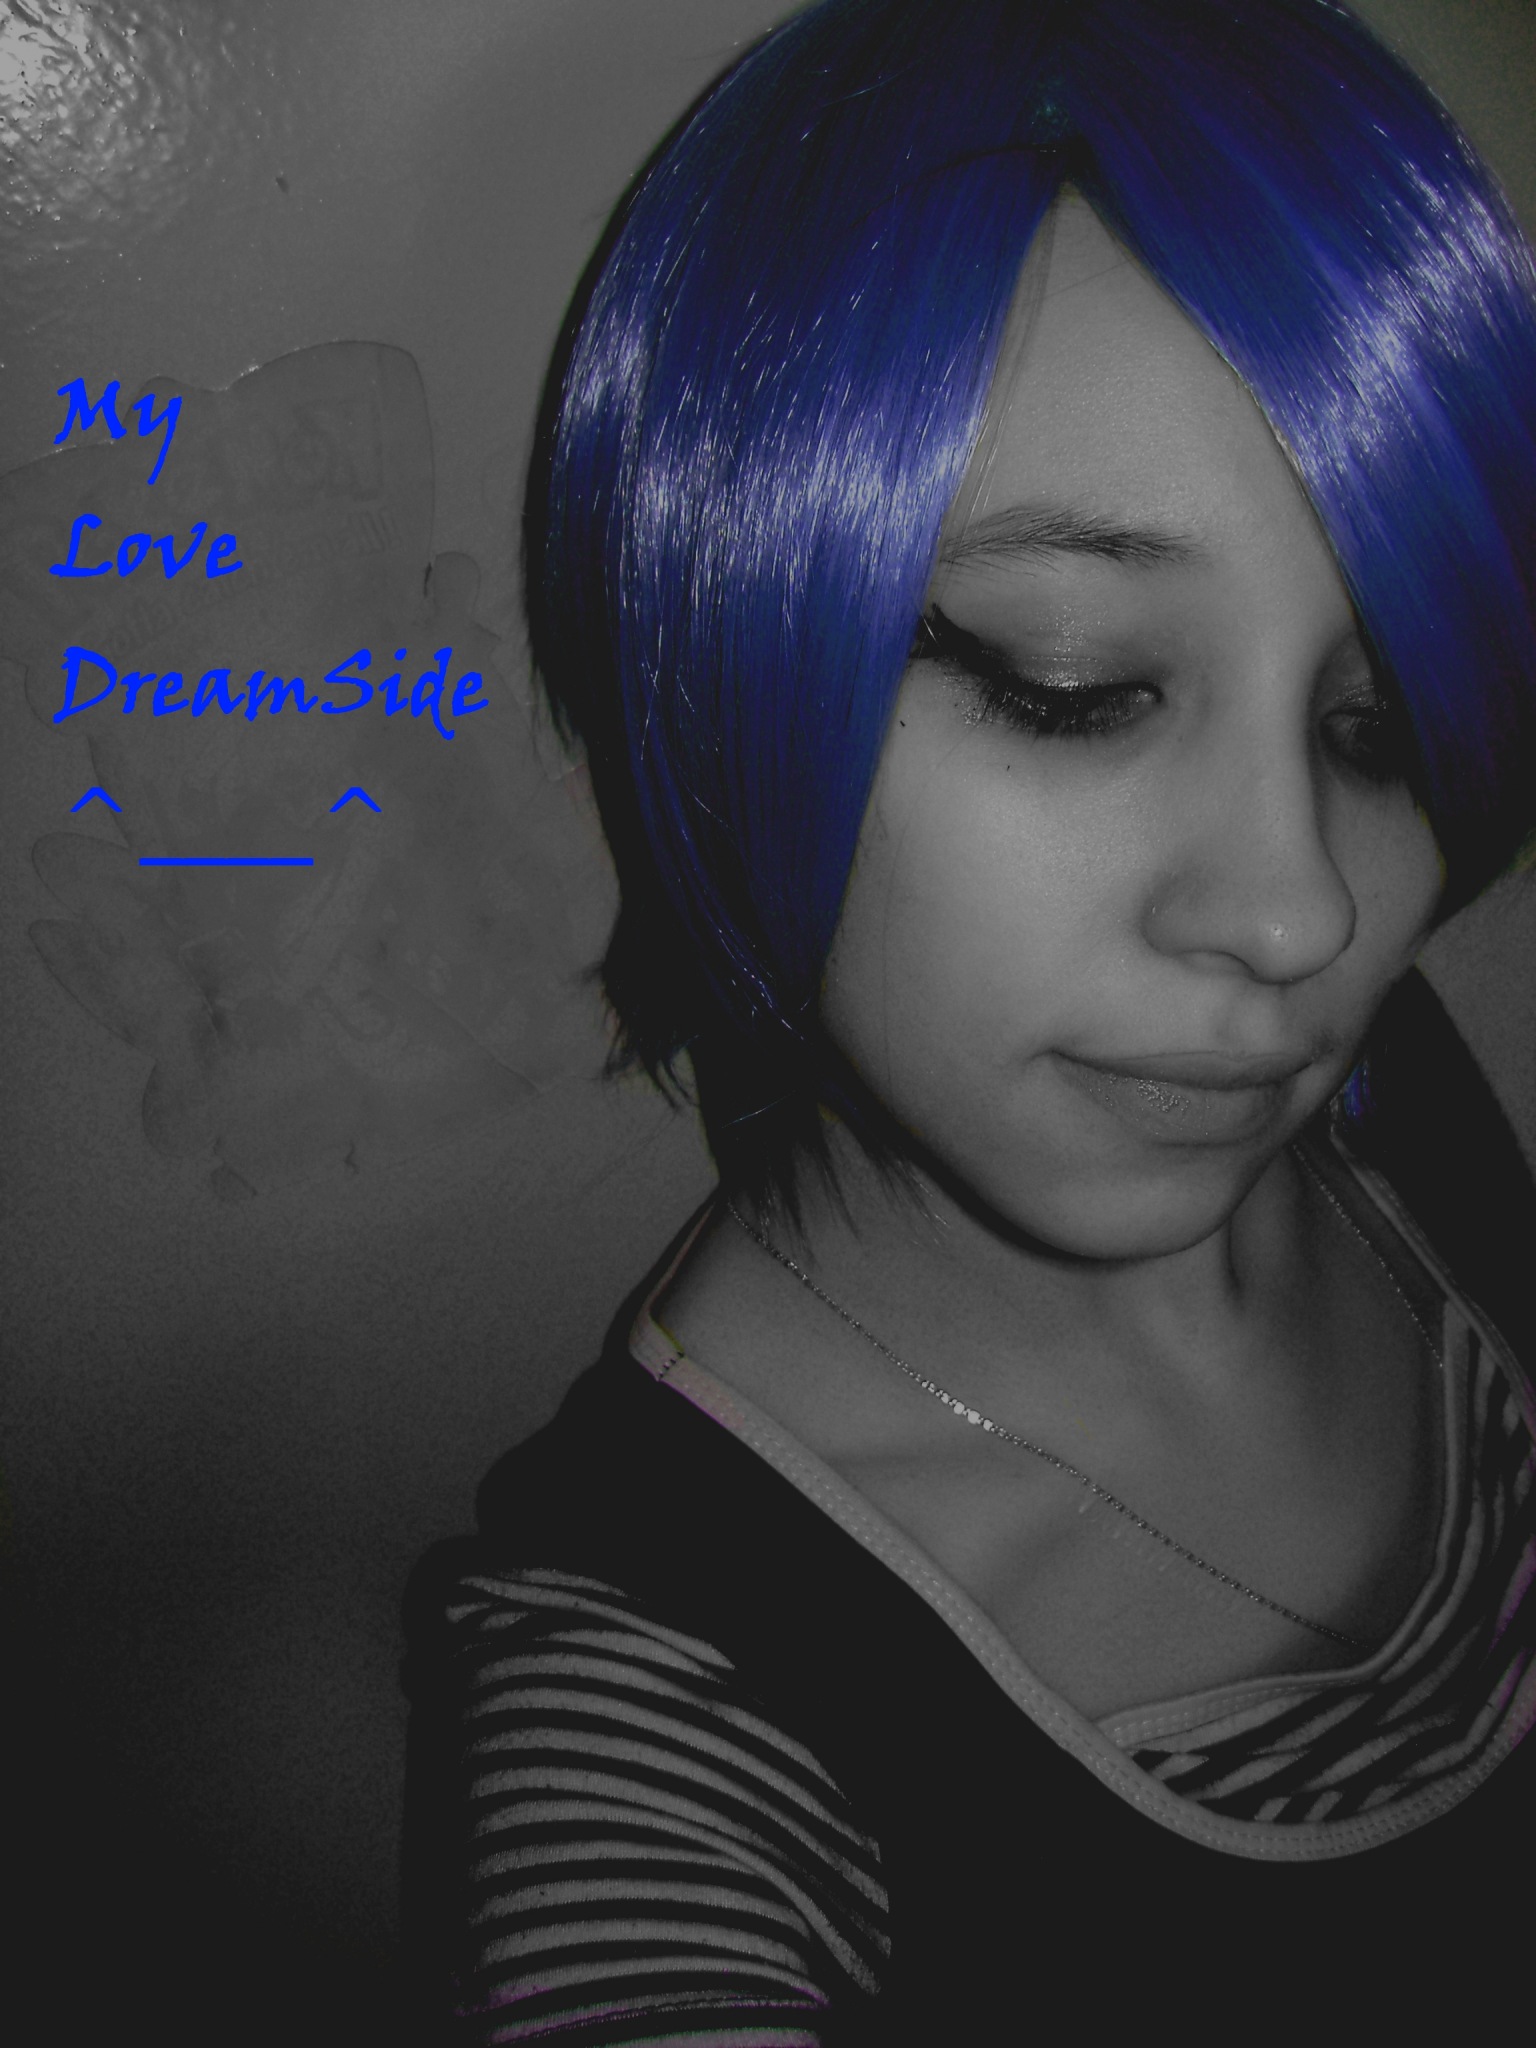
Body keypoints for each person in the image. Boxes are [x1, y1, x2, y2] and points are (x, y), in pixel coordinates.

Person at [402, 1, 1536, 2038]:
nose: (1301, 914)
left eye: (1376, 725)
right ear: (714, 658)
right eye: (1070, 685)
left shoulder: (1394, 1096)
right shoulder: (652, 1696)